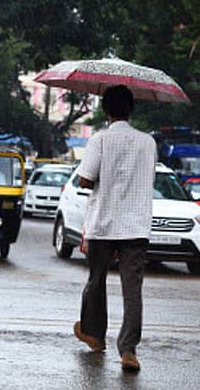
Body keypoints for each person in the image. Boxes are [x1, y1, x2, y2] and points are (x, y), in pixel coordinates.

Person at [72, 85, 157, 373]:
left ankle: (94, 334)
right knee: (132, 289)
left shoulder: (99, 140)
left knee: (96, 281)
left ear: (106, 110)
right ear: (131, 109)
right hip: (136, 225)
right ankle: (128, 349)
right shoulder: (148, 142)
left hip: (104, 222)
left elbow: (85, 180)